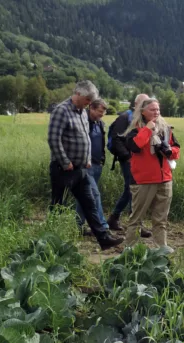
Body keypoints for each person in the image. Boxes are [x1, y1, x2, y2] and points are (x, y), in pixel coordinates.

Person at [47, 81, 123, 250]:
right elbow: (53, 139)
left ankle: (103, 238)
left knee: (90, 203)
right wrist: (65, 162)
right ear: (78, 94)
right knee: (59, 205)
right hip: (63, 170)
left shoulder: (82, 112)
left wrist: (87, 159)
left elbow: (85, 139)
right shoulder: (61, 111)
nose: (89, 103)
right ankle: (51, 239)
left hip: (81, 169)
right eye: (88, 99)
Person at [122, 97, 180, 252]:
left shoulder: (166, 130)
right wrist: (148, 129)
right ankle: (129, 251)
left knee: (161, 219)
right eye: (152, 109)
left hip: (165, 178)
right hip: (143, 180)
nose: (156, 112)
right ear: (142, 111)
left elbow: (176, 150)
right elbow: (134, 146)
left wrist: (169, 151)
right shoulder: (134, 130)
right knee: (136, 218)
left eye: (158, 109)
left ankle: (162, 249)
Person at [106, 93, 151, 238]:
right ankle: (136, 224)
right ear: (136, 103)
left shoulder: (142, 120)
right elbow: (116, 139)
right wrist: (127, 157)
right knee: (134, 190)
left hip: (139, 161)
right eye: (144, 103)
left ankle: (114, 217)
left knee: (131, 190)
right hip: (129, 161)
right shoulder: (125, 118)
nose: (147, 106)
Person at [75, 98, 109, 233]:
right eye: (100, 111)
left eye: (103, 112)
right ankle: (102, 226)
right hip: (84, 165)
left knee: (85, 196)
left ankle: (77, 226)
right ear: (92, 108)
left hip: (97, 165)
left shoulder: (99, 124)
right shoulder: (82, 123)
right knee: (95, 194)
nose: (102, 115)